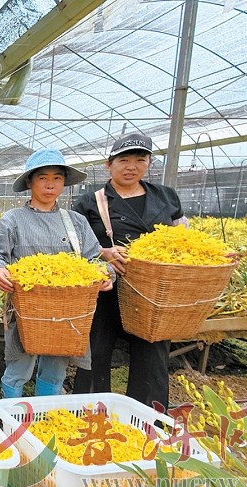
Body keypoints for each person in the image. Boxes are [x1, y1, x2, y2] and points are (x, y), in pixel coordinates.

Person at [71, 133, 188, 410]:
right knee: (96, 351)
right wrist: (103, 252)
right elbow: (74, 246)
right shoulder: (90, 202)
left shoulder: (166, 197)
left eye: (140, 160)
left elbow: (184, 239)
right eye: (123, 160)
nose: (131, 167)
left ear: (149, 163)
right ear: (108, 164)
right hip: (106, 289)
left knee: (152, 355)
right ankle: (91, 414)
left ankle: (148, 418)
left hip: (153, 292)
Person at [0, 148, 114, 399]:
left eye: (57, 178)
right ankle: (11, 415)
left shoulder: (75, 221)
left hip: (67, 310)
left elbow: (93, 260)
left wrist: (105, 274)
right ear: (30, 182)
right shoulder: (13, 219)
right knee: (19, 367)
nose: (50, 184)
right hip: (26, 309)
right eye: (42, 178)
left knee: (56, 369)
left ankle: (45, 415)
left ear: (64, 183)